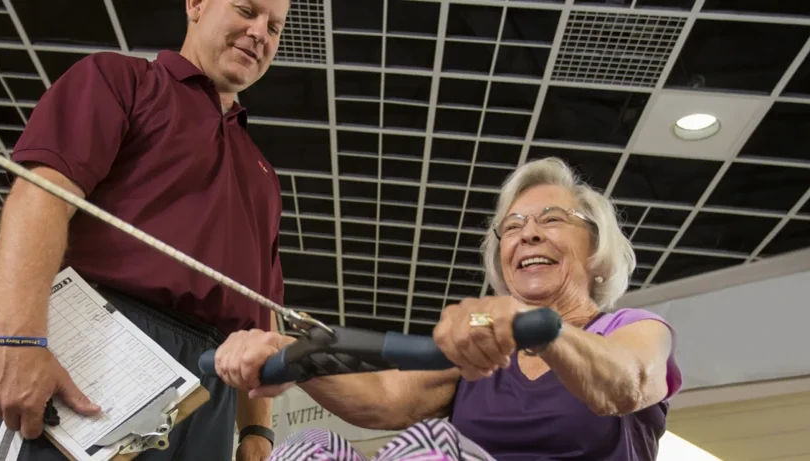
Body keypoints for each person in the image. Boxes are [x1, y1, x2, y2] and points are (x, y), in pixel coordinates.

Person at [0, 1, 291, 460]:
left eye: (274, 27)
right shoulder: (120, 81)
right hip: (99, 349)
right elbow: (38, 198)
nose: (260, 32)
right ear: (196, 4)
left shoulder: (263, 176)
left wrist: (257, 434)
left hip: (213, 388)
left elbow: (260, 314)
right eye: (246, 9)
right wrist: (17, 339)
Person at [214, 158, 683, 461]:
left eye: (552, 220)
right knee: (311, 450)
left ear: (597, 246)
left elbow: (629, 382)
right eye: (513, 226)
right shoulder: (483, 348)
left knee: (435, 448)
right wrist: (292, 355)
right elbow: (386, 399)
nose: (528, 234)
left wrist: (541, 328)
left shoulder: (632, 327)